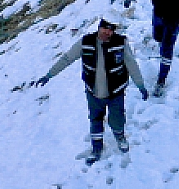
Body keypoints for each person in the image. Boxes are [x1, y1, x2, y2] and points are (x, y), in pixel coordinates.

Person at [33, 18, 150, 164]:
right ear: (99, 27)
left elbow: (131, 64)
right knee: (95, 120)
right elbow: (67, 58)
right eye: (105, 28)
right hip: (93, 93)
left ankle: (120, 137)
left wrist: (140, 85)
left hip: (116, 92)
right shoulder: (85, 42)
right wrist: (49, 75)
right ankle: (96, 148)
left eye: (111, 29)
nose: (108, 32)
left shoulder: (121, 43)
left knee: (117, 118)